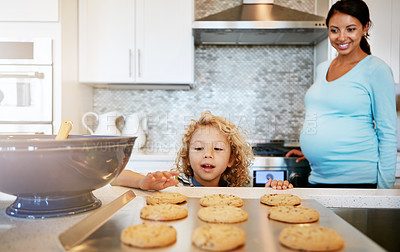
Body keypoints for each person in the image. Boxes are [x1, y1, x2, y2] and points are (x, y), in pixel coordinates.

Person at [286, 0, 396, 189]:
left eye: (350, 29)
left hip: (357, 181)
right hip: (318, 177)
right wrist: (315, 152)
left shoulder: (376, 70)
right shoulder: (323, 67)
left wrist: (383, 192)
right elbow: (324, 113)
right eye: (334, 30)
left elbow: (388, 133)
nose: (341, 37)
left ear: (365, 27)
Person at [113, 111, 293, 190]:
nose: (208, 154)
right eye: (199, 148)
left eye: (218, 148)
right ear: (188, 158)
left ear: (231, 159)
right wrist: (143, 182)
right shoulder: (176, 182)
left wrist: (276, 188)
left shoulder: (241, 188)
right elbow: (116, 177)